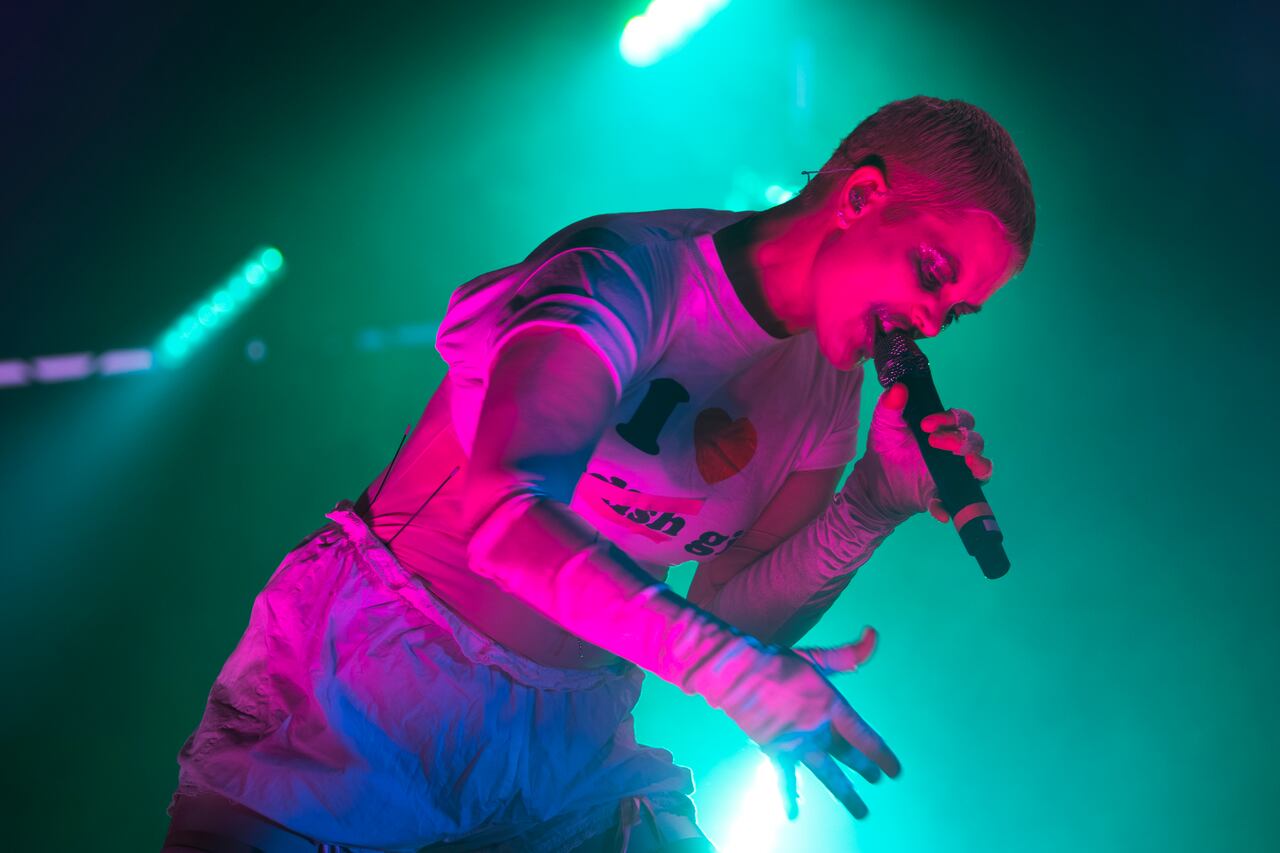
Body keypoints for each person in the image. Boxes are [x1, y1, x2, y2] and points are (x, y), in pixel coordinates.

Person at [164, 95, 1035, 853]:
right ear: (860, 196)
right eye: (933, 272)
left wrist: (871, 505)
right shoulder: (626, 272)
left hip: (575, 747)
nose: (930, 317)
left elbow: (728, 613)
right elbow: (507, 518)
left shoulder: (829, 394)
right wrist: (735, 674)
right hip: (371, 697)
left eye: (954, 312)